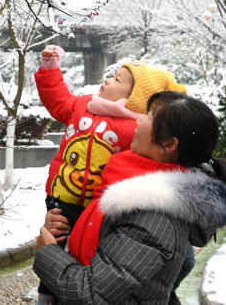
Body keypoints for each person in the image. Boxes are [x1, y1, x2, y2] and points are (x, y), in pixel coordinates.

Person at [33, 91, 226, 305]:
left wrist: (48, 254)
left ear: (168, 145)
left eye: (149, 116)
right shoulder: (129, 183)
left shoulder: (154, 214)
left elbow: (92, 295)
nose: (138, 118)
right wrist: (63, 232)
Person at [33, 47, 185, 303]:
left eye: (117, 80)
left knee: (87, 253)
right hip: (62, 197)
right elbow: (58, 101)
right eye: (111, 76)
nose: (107, 81)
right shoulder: (84, 105)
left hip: (99, 208)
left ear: (135, 98)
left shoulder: (136, 130)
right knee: (55, 241)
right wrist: (50, 70)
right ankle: (46, 296)